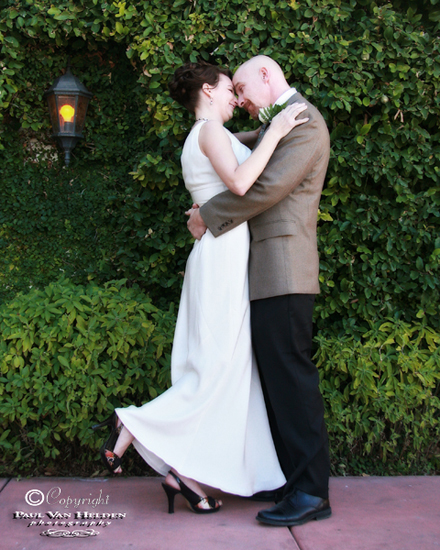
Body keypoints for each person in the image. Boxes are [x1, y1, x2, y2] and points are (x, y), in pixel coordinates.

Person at [92, 61, 309, 515]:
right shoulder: (209, 132)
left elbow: (234, 162)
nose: (236, 98)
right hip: (224, 255)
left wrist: (268, 131)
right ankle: (131, 422)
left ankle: (188, 478)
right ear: (208, 91)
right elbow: (242, 182)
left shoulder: (208, 135)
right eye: (230, 89)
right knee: (216, 369)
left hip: (220, 252)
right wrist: (279, 128)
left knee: (226, 370)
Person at [186, 55, 332, 526]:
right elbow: (241, 146)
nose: (242, 99)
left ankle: (311, 493)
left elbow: (264, 186)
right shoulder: (281, 124)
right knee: (274, 381)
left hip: (285, 270)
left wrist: (207, 213)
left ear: (268, 76)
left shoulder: (306, 123)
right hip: (264, 272)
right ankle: (290, 480)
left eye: (244, 87)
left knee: (292, 380)